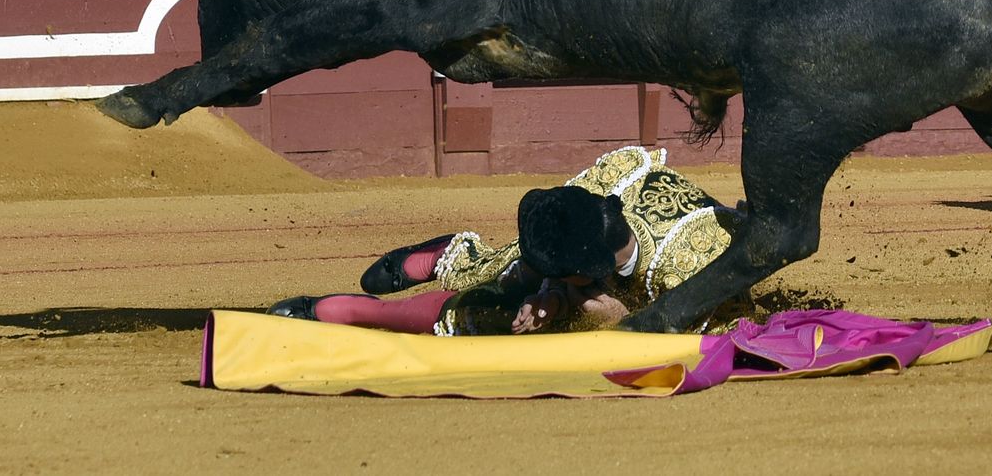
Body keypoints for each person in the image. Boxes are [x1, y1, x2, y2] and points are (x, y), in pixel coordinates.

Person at [268, 147, 746, 336]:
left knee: (486, 316)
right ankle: (449, 256)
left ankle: (359, 312)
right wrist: (553, 293)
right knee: (512, 270)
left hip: (649, 278)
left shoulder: (695, 266)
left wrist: (624, 318)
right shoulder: (611, 182)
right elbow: (555, 227)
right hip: (590, 254)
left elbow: (710, 335)